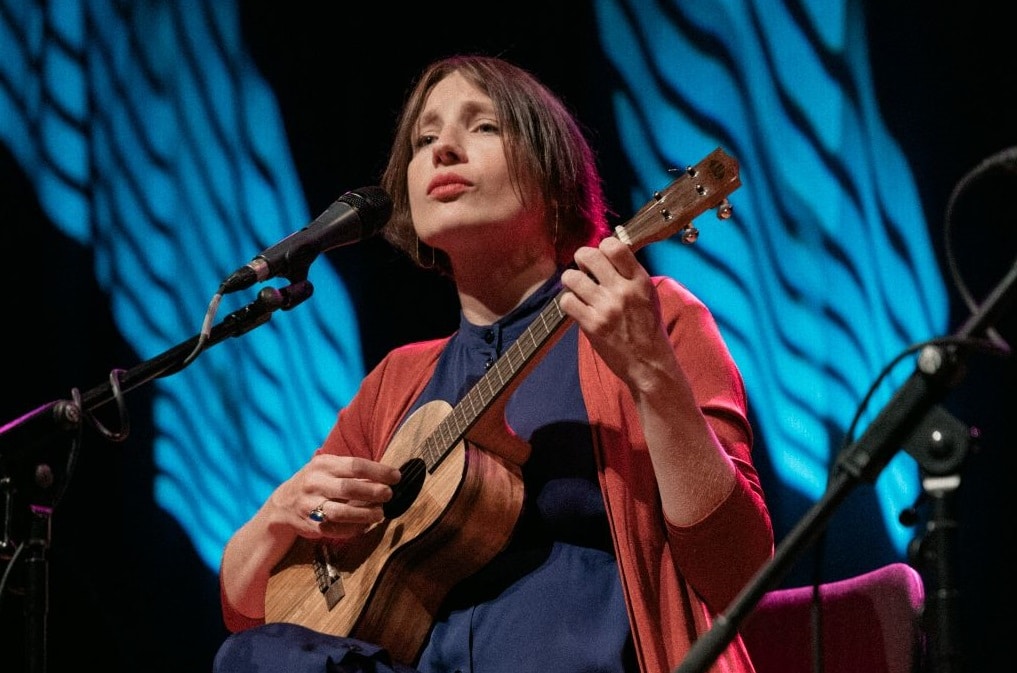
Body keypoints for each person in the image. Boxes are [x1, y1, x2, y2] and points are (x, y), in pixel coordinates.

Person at [214, 54, 773, 673]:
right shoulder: (399, 381)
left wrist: (653, 377)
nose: (443, 150)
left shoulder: (652, 318)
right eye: (425, 139)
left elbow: (738, 570)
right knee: (251, 656)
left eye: (482, 127)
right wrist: (279, 514)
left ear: (554, 176)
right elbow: (252, 611)